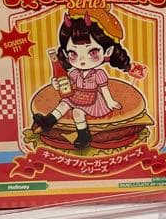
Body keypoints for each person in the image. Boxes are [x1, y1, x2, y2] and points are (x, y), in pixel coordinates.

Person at [31, 9, 133, 150]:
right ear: (66, 53)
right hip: (76, 96)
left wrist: (110, 102)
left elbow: (104, 89)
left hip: (93, 102)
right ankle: (48, 121)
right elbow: (67, 85)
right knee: (63, 104)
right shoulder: (74, 73)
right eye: (73, 53)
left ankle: (84, 135)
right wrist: (56, 84)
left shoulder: (98, 74)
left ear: (108, 51)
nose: (82, 60)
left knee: (77, 112)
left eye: (92, 52)